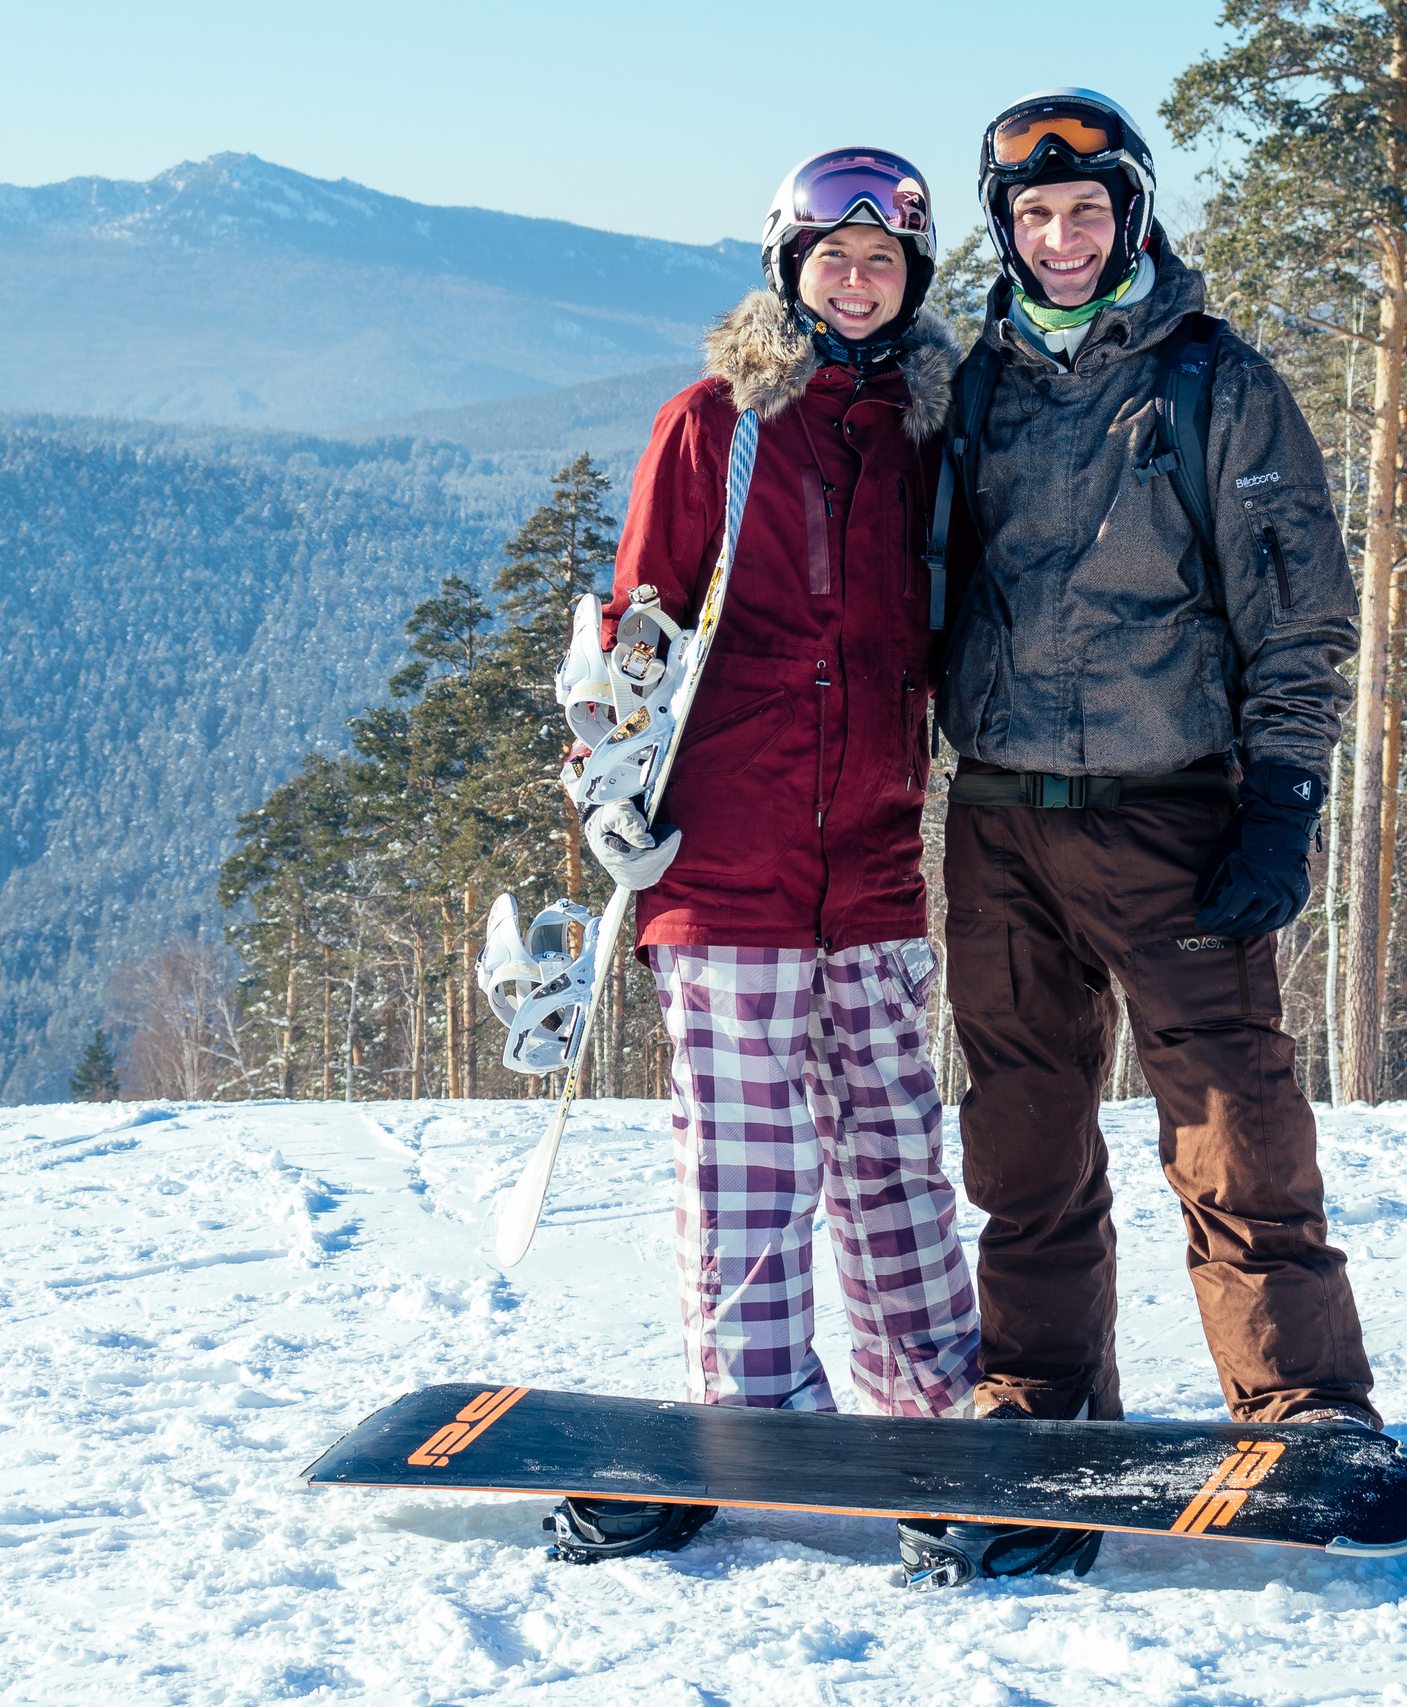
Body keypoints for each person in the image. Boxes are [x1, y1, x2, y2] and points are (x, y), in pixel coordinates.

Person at [908, 89, 1377, 1584]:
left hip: (1169, 810)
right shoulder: (962, 383)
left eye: (1087, 209)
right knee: (1024, 1131)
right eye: (1035, 215)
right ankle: (1039, 1396)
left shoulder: (1215, 384)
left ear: (1134, 214)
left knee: (1234, 1123)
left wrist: (1283, 796)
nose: (1062, 234)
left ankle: (1304, 1405)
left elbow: (1299, 612)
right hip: (996, 816)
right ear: (1005, 228)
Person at [542, 148, 979, 1566]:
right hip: (721, 852)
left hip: (872, 851)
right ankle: (758, 1408)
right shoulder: (717, 422)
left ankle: (931, 1403)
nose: (857, 284)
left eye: (885, 265)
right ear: (788, 269)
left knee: (899, 1148)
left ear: (912, 285)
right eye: (832, 262)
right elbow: (633, 621)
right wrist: (601, 789)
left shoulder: (930, 430)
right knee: (745, 1155)